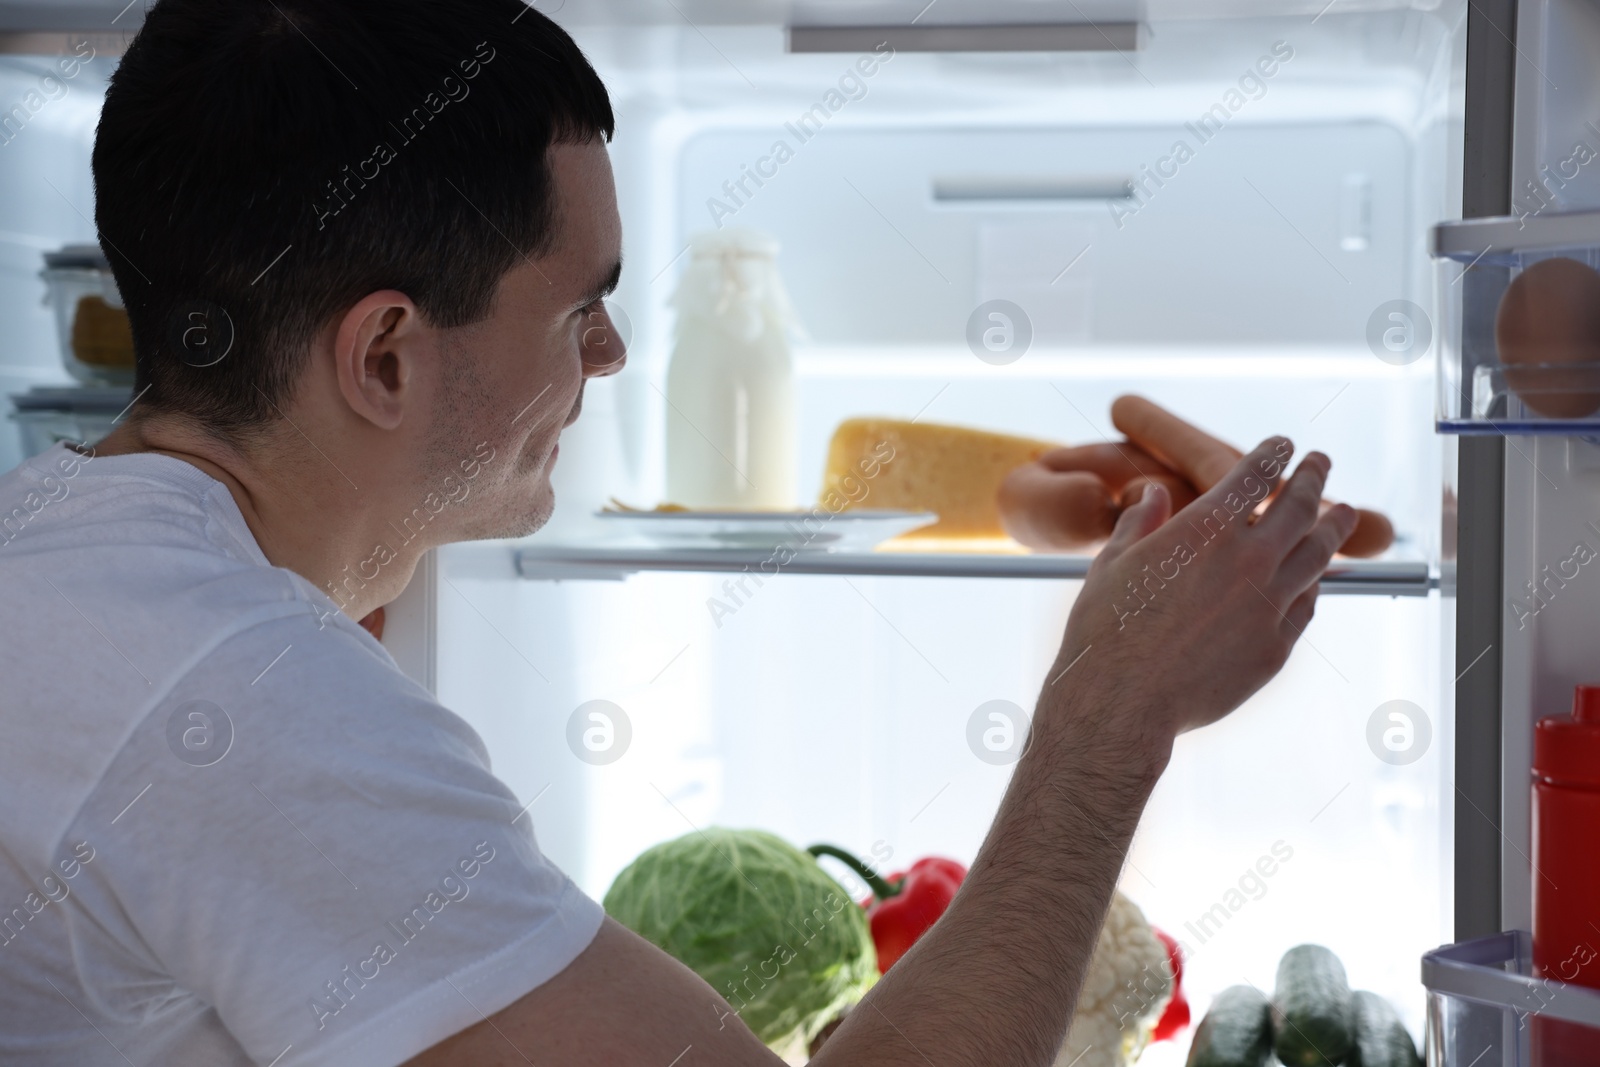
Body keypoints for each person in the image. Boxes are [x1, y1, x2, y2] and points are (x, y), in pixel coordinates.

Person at [0, 1, 1357, 1064]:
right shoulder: (253, 701)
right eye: (578, 305)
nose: (614, 350)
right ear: (388, 359)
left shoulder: (63, 553)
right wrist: (1112, 712)